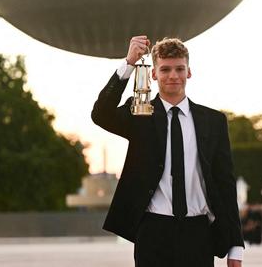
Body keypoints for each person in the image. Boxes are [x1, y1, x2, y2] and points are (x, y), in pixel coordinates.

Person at [91, 36, 244, 267]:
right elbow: (101, 114)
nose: (173, 76)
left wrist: (235, 246)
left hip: (199, 233)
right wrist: (129, 63)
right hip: (153, 232)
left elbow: (225, 183)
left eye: (179, 69)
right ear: (153, 74)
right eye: (165, 70)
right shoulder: (140, 114)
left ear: (189, 72)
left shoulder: (213, 121)